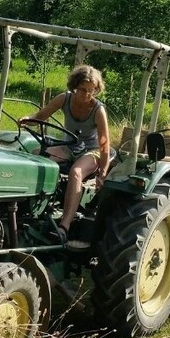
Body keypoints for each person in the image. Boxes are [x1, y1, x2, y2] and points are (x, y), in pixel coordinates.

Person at [20, 65, 110, 244]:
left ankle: (64, 226)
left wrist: (103, 172)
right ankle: (28, 208)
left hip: (91, 150)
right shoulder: (64, 99)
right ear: (75, 86)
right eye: (83, 90)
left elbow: (104, 143)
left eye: (91, 91)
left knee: (76, 172)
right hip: (70, 146)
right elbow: (41, 116)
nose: (86, 95)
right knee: (38, 155)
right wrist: (26, 120)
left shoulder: (98, 110)